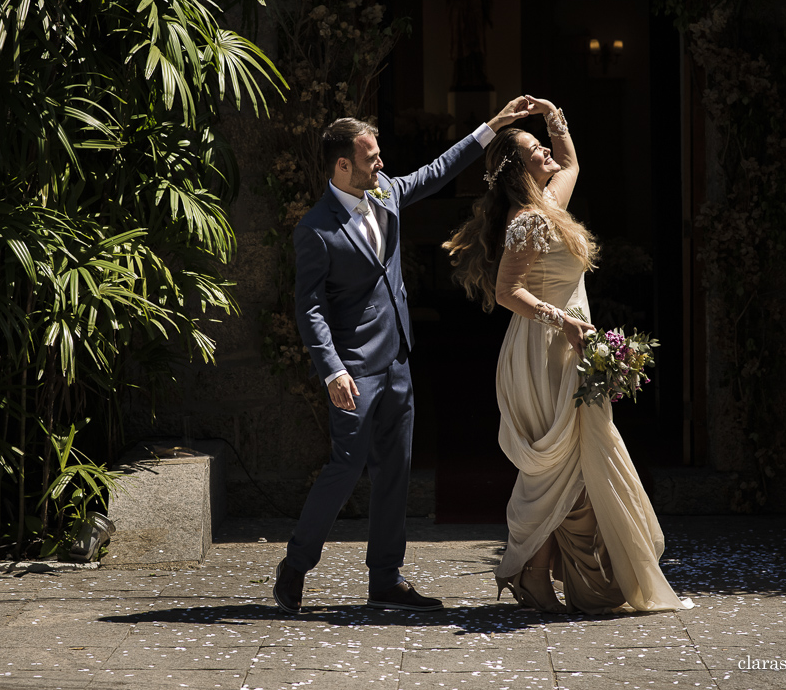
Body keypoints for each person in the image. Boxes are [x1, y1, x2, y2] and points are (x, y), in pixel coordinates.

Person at [273, 98, 532, 614]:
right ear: (342, 165)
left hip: (396, 361)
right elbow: (310, 309)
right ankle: (296, 565)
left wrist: (490, 128)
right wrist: (332, 371)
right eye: (370, 158)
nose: (381, 165)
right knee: (346, 468)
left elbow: (437, 172)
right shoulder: (315, 229)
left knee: (396, 468)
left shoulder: (386, 194)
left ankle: (386, 579)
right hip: (352, 369)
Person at [442, 95, 691, 614]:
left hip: (571, 344)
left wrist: (552, 116)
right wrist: (562, 320)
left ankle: (536, 574)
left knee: (576, 465)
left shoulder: (552, 202)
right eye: (536, 148)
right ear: (519, 167)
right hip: (544, 348)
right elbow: (509, 292)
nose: (548, 153)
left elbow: (572, 160)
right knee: (561, 467)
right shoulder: (528, 220)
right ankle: (530, 570)